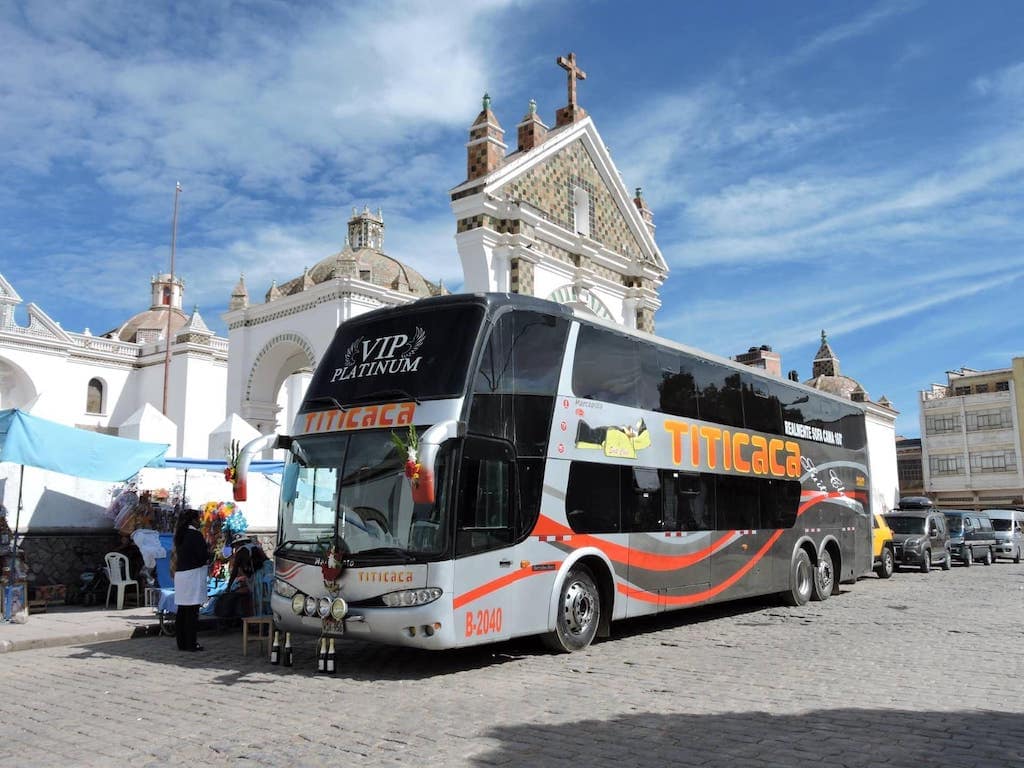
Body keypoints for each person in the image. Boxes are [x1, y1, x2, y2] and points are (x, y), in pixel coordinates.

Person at [172, 509, 209, 652]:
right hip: (193, 574)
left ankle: (181, 643)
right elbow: (201, 556)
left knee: (182, 610)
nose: (199, 521)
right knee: (192, 611)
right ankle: (191, 643)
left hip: (181, 575)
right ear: (192, 520)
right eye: (198, 519)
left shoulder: (180, 535)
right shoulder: (195, 535)